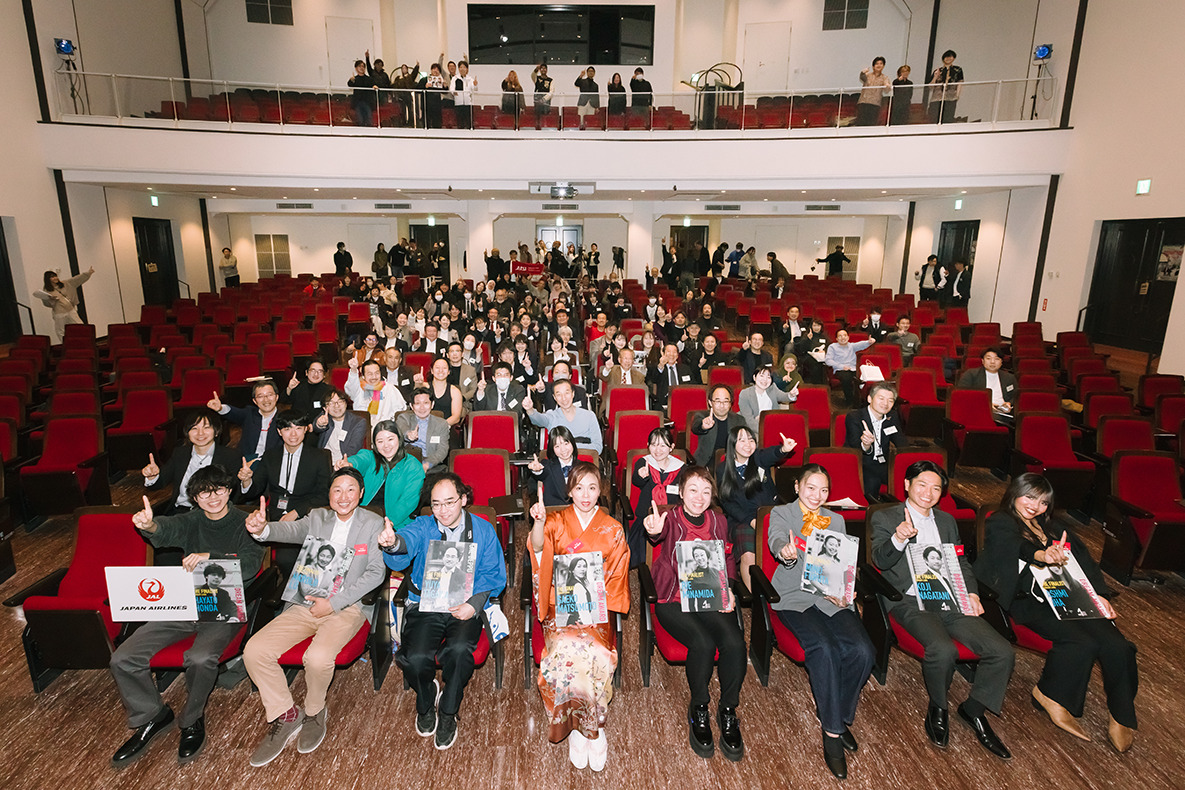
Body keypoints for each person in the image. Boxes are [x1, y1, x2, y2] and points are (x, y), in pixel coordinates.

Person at [108, 465, 265, 767]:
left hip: (225, 606)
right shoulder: (193, 520)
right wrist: (149, 525)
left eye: (219, 490)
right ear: (194, 498)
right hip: (185, 601)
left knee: (199, 658)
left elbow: (249, 565)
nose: (213, 497)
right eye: (204, 493)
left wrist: (210, 558)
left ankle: (192, 719)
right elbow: (166, 530)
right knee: (123, 657)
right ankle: (152, 715)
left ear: (229, 491)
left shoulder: (245, 522)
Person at [974, 473, 1137, 752]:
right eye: (1029, 497)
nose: (1035, 506)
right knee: (1082, 642)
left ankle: (1122, 715)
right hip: (1027, 601)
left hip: (1066, 596)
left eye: (1042, 502)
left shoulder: (1053, 527)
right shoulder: (1000, 521)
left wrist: (1099, 595)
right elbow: (1017, 546)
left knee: (1118, 645)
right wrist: (1043, 554)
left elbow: (1084, 562)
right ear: (1015, 494)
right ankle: (1051, 695)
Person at [869, 460, 1015, 760]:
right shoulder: (885, 517)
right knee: (942, 649)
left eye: (936, 488)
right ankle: (938, 706)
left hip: (948, 597)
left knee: (1002, 651)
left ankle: (973, 710)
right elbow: (880, 561)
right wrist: (899, 538)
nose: (928, 493)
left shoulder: (947, 521)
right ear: (907, 485)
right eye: (922, 484)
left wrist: (971, 593)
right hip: (908, 600)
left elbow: (959, 561)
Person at [242, 467, 387, 766]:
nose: (343, 496)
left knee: (318, 658)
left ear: (361, 494)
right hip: (305, 603)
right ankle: (286, 714)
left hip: (347, 606)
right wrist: (262, 530)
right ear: (329, 494)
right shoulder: (317, 517)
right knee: (254, 651)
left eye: (351, 489)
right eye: (337, 490)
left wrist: (333, 604)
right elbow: (289, 531)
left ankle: (314, 710)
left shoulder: (372, 523)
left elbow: (376, 572)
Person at [379, 472, 507, 750]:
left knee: (459, 651)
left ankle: (448, 711)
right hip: (427, 603)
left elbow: (493, 573)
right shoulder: (425, 525)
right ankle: (426, 699)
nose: (443, 511)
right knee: (413, 658)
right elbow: (406, 542)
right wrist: (393, 543)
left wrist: (473, 605)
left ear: (463, 499)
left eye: (449, 502)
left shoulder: (483, 530)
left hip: (464, 604)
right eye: (436, 504)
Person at [768, 465, 875, 779]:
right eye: (810, 487)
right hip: (794, 596)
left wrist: (846, 591)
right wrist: (786, 551)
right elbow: (777, 541)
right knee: (824, 648)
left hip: (829, 596)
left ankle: (836, 713)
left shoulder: (836, 520)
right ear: (797, 486)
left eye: (823, 490)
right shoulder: (782, 513)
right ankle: (832, 733)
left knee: (863, 651)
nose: (817, 495)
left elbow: (842, 564)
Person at [528, 462, 629, 771]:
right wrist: (538, 523)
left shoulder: (612, 528)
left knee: (595, 651)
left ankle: (592, 727)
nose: (586, 495)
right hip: (559, 606)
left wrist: (596, 607)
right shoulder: (556, 521)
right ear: (569, 491)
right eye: (579, 488)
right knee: (565, 649)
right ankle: (576, 728)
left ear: (600, 492)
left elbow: (617, 576)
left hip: (596, 608)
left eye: (592, 488)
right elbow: (537, 549)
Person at [642, 466, 745, 761]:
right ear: (681, 493)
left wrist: (729, 590)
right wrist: (653, 530)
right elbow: (657, 533)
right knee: (703, 643)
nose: (699, 497)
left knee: (735, 643)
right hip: (672, 598)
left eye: (706, 491)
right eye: (693, 490)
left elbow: (727, 557)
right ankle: (699, 707)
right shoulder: (670, 518)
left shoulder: (719, 520)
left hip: (708, 595)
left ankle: (728, 710)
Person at [717, 425, 797, 589]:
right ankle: (753, 597)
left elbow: (770, 454)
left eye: (751, 440)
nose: (748, 444)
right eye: (742, 440)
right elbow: (726, 502)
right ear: (732, 444)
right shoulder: (722, 469)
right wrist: (750, 520)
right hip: (741, 519)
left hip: (768, 516)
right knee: (748, 555)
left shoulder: (759, 459)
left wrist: (783, 449)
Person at [237, 410, 332, 529]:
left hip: (306, 516)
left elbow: (324, 494)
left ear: (305, 429)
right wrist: (246, 480)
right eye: (287, 429)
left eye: (298, 428)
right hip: (274, 516)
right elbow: (254, 490)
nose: (293, 434)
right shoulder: (270, 456)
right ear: (279, 431)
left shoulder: (320, 457)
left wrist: (297, 512)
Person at [142, 408, 243, 516]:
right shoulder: (180, 453)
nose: (200, 433)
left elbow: (236, 494)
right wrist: (152, 477)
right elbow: (159, 483)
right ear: (187, 432)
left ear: (216, 431)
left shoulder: (230, 456)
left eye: (206, 427)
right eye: (194, 428)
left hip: (211, 514)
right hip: (180, 512)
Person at [338, 420, 425, 522]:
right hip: (364, 517)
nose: (386, 445)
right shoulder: (370, 457)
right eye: (380, 441)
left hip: (397, 522)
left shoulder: (413, 466)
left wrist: (388, 523)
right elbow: (360, 460)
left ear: (399, 438)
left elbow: (407, 502)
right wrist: (350, 464)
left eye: (390, 439)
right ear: (374, 444)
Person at [628, 427, 685, 567]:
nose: (657, 450)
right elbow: (636, 481)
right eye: (653, 445)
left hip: (672, 519)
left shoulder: (681, 468)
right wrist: (641, 476)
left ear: (671, 447)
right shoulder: (644, 462)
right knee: (640, 552)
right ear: (648, 445)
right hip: (646, 517)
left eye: (663, 446)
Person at [844, 382, 907, 503]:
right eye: (881, 398)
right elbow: (854, 445)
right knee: (873, 482)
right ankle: (871, 510)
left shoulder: (892, 416)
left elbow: (900, 441)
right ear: (869, 399)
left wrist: (909, 457)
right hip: (861, 462)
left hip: (883, 462)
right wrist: (866, 445)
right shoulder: (855, 417)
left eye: (890, 400)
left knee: (909, 476)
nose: (885, 403)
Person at [208, 380, 281, 461]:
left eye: (269, 395)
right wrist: (220, 408)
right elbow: (234, 413)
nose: (266, 400)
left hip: (272, 462)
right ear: (255, 401)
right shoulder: (249, 413)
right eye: (260, 396)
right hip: (246, 460)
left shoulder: (283, 418)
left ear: (276, 397)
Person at [525, 378, 602, 454]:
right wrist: (530, 409)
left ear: (573, 394)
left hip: (585, 459)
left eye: (567, 393)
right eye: (559, 395)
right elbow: (538, 420)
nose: (564, 398)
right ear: (554, 398)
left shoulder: (589, 416)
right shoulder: (552, 416)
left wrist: (568, 446)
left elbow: (598, 447)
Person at [690, 385, 746, 467]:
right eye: (718, 401)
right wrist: (703, 426)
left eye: (726, 401)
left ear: (730, 403)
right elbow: (696, 427)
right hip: (706, 463)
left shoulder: (739, 420)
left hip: (731, 462)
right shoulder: (702, 416)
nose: (722, 405)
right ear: (710, 402)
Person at [396, 388, 450, 473]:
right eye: (417, 403)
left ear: (432, 404)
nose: (422, 407)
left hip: (431, 464)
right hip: (407, 462)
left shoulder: (441, 424)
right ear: (411, 406)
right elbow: (402, 430)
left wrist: (427, 464)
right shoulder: (404, 418)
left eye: (426, 403)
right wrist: (409, 435)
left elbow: (442, 450)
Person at [33, 266, 94, 341]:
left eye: (55, 276)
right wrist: (51, 300)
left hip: (70, 310)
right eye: (52, 277)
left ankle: (85, 342)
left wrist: (88, 273)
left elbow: (77, 279)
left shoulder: (65, 283)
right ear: (48, 279)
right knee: (61, 331)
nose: (55, 278)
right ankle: (66, 344)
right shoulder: (46, 290)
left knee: (80, 326)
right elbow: (46, 304)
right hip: (59, 313)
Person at [345, 357, 408, 427]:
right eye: (370, 374)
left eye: (377, 373)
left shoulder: (390, 389)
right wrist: (353, 370)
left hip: (385, 428)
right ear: (363, 376)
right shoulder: (358, 389)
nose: (374, 377)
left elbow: (400, 411)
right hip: (363, 427)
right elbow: (351, 386)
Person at [527, 424, 579, 506]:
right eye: (557, 446)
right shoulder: (547, 465)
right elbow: (541, 473)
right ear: (552, 449)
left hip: (577, 511)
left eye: (566, 444)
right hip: (554, 511)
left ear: (572, 443)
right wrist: (537, 470)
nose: (563, 449)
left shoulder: (583, 467)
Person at [312, 388, 367, 465]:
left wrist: (342, 465)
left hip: (344, 463)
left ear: (346, 403)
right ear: (325, 408)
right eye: (331, 403)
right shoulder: (325, 417)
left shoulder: (358, 422)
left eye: (340, 401)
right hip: (323, 463)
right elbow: (316, 426)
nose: (336, 406)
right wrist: (320, 424)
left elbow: (353, 449)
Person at [956, 347, 1017, 414]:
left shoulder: (1009, 377)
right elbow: (962, 395)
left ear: (1001, 362)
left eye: (996, 359)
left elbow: (1016, 396)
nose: (992, 362)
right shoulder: (971, 374)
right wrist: (986, 404)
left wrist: (1009, 403)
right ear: (983, 361)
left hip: (1003, 413)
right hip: (979, 411)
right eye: (988, 358)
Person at [825, 328, 876, 408]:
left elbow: (861, 345)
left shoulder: (851, 346)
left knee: (865, 378)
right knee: (847, 378)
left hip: (853, 369)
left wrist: (869, 342)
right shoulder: (832, 347)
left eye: (845, 335)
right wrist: (842, 366)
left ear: (848, 337)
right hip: (841, 369)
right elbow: (828, 360)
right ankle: (850, 402)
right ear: (836, 339)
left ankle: (864, 401)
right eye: (840, 336)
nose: (843, 337)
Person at [738, 365, 797, 433]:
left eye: (768, 377)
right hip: (752, 429)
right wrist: (765, 431)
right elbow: (748, 420)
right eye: (762, 376)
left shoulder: (772, 389)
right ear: (754, 377)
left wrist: (791, 394)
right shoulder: (745, 394)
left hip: (771, 425)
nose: (765, 380)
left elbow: (784, 397)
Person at [646, 343, 695, 409]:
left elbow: (693, 385)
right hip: (664, 403)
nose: (671, 354)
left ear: (677, 355)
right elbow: (653, 379)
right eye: (668, 351)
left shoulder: (685, 369)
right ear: (663, 354)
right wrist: (661, 365)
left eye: (674, 352)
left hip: (683, 401)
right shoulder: (658, 368)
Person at [928, 49, 964, 124]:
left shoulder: (957, 70)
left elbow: (960, 83)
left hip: (950, 97)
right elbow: (930, 87)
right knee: (934, 119)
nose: (948, 59)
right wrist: (935, 77)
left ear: (954, 58)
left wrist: (957, 95)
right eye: (946, 57)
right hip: (937, 98)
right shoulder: (938, 70)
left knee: (948, 119)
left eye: (950, 57)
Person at [856, 56, 891, 126]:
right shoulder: (868, 75)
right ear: (873, 66)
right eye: (877, 64)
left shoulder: (885, 78)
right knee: (860, 124)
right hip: (864, 102)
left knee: (871, 125)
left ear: (883, 66)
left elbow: (887, 90)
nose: (879, 65)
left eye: (881, 63)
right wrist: (862, 72)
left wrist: (887, 85)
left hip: (875, 104)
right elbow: (862, 77)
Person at [347, 59, 376, 126]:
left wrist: (374, 86)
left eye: (363, 66)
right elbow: (350, 84)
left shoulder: (369, 79)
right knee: (360, 120)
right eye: (360, 66)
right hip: (358, 102)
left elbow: (373, 85)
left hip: (367, 102)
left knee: (369, 119)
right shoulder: (355, 79)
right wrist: (351, 80)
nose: (362, 68)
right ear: (356, 68)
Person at [451, 60, 476, 130]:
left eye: (464, 67)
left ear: (467, 69)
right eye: (461, 67)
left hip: (468, 103)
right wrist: (454, 92)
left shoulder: (470, 79)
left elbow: (474, 89)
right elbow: (451, 88)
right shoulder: (455, 78)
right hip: (458, 103)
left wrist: (475, 85)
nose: (462, 69)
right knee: (460, 122)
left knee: (469, 122)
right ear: (459, 69)